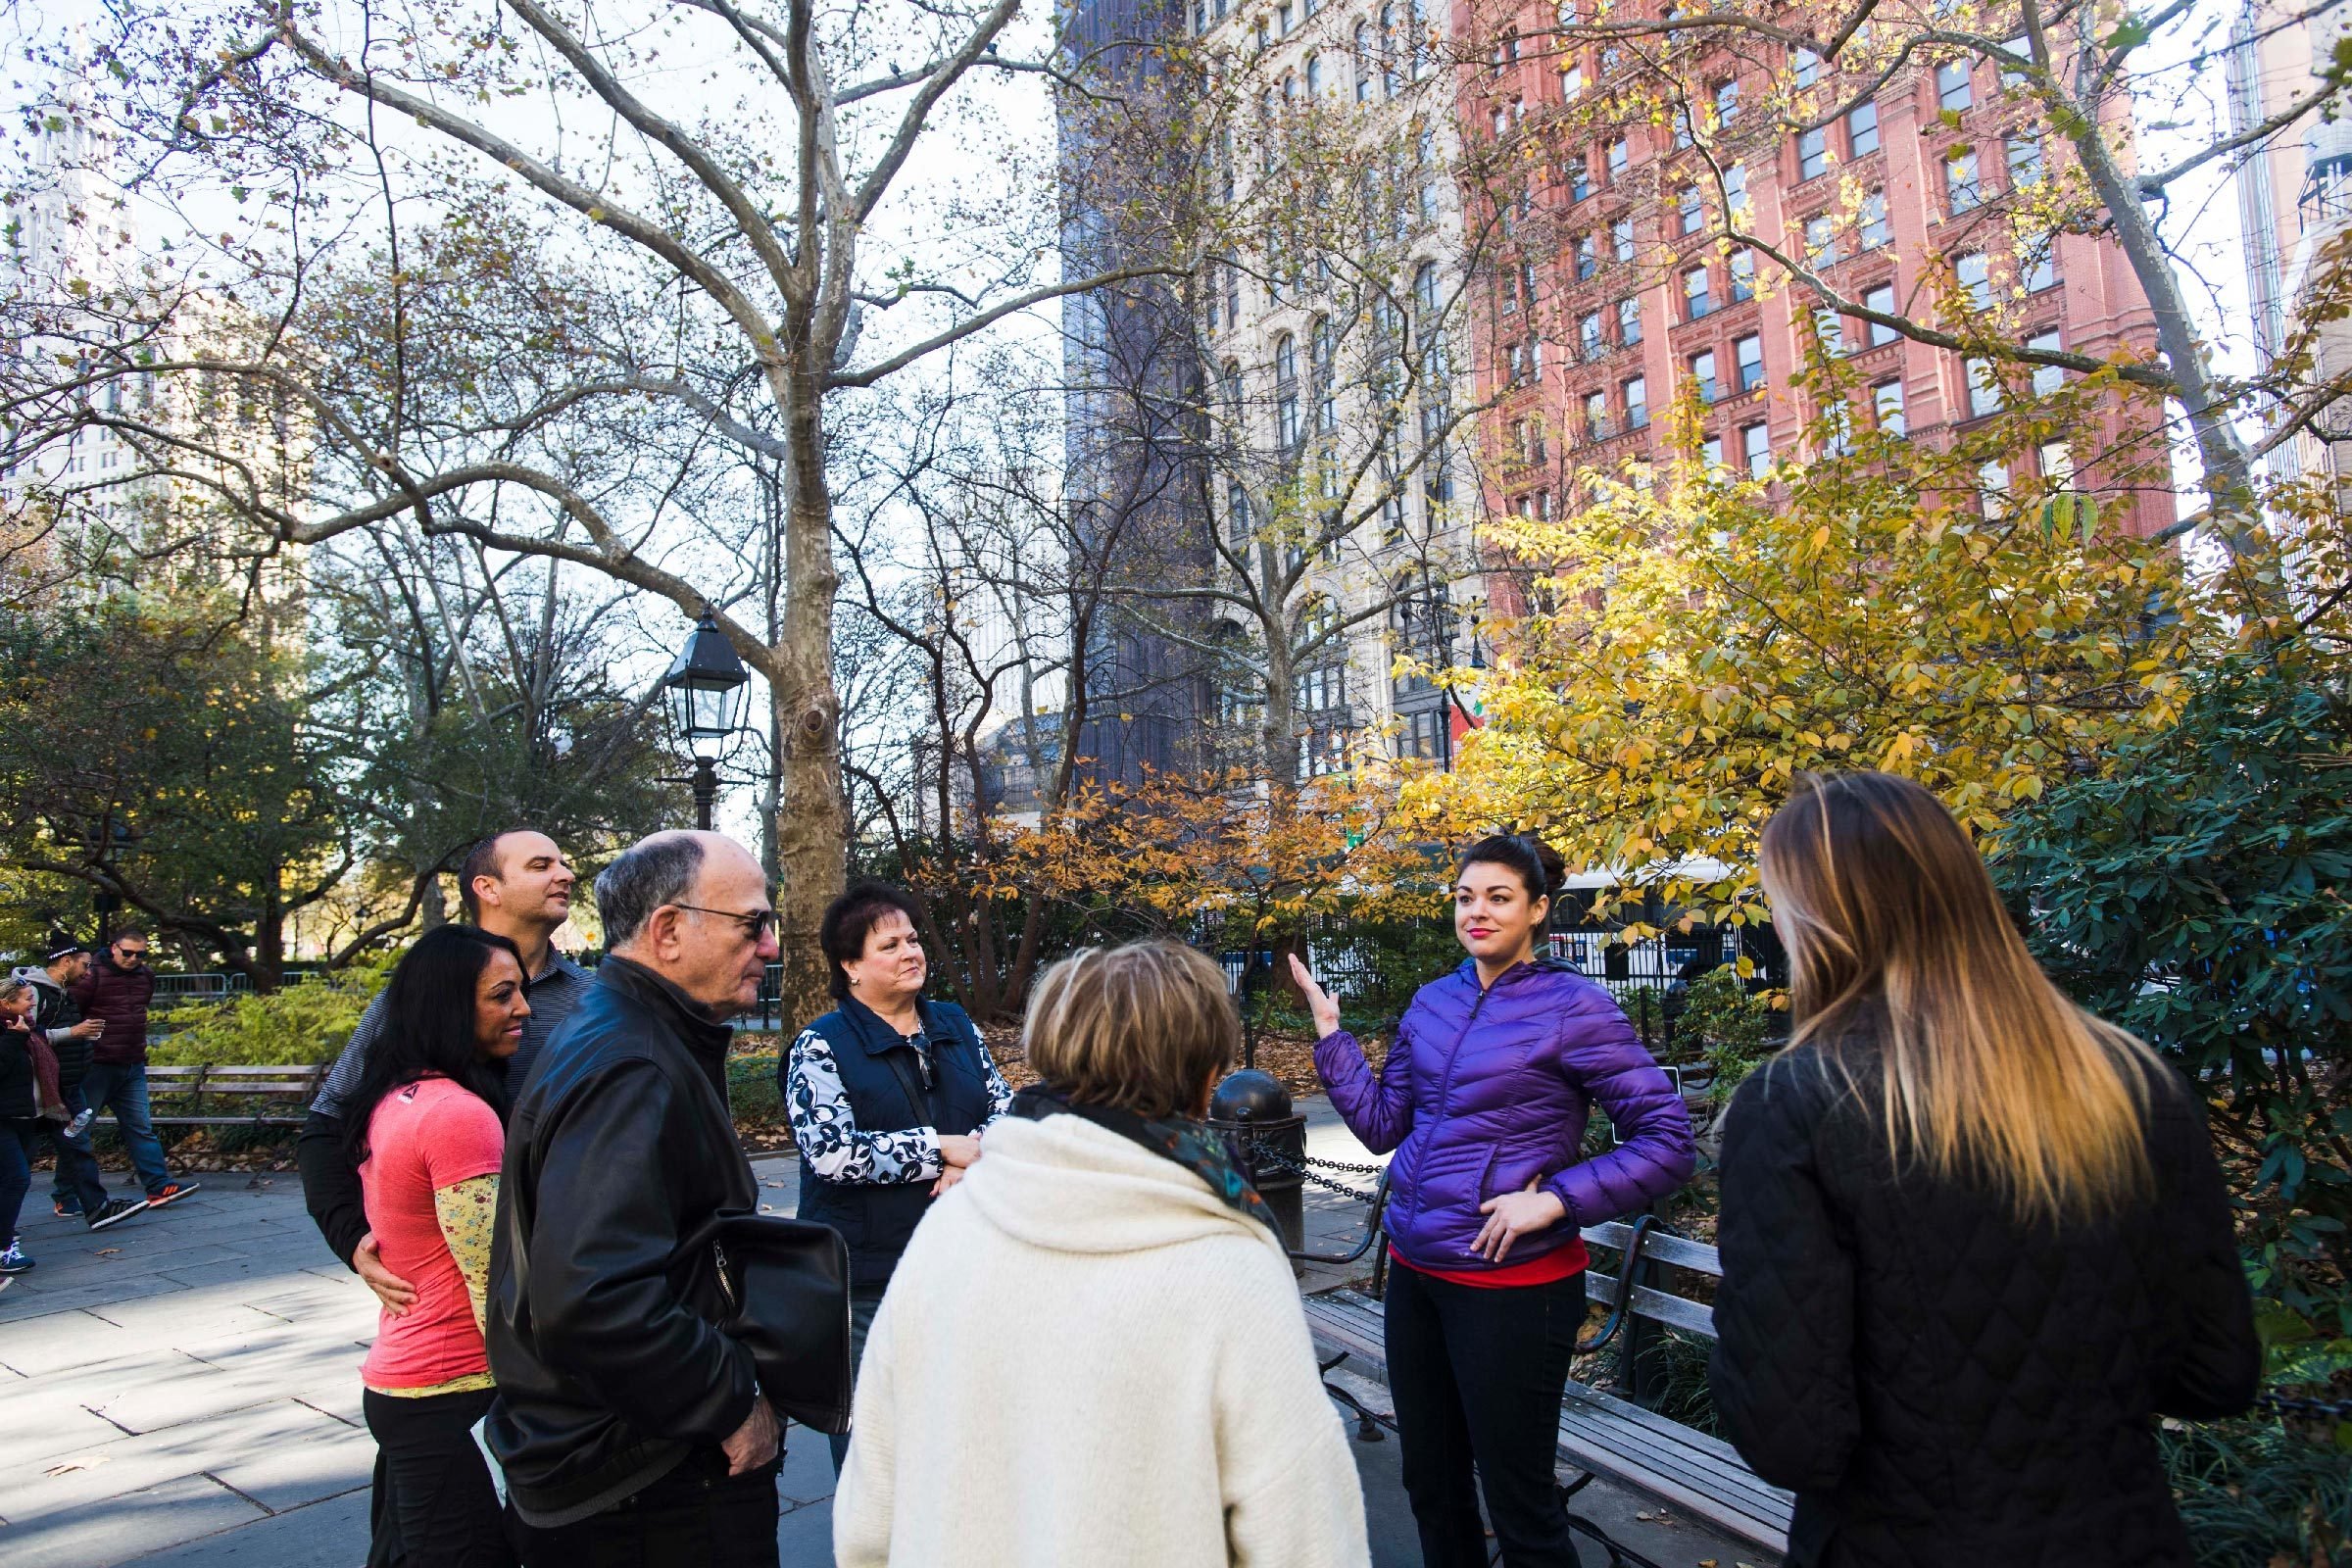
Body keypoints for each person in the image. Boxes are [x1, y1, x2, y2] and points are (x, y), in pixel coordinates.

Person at [1705, 772, 2260, 1568]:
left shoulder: (1803, 1102)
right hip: (2127, 1536)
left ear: (1817, 915)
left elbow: (1791, 1439)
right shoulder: (2132, 1080)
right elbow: (2217, 1373)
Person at [834, 941, 1371, 1568]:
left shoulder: (951, 1225)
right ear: (1204, 1078)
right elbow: (1303, 1538)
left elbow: (870, 1517)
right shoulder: (1229, 1264)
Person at [1293, 834, 1696, 1568]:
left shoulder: (1576, 1008)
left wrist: (1556, 1201)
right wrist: (1333, 1040)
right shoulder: (1434, 1001)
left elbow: (1667, 1139)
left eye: (1499, 897)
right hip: (1417, 1274)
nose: (1477, 912)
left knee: (1521, 1505)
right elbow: (1384, 1126)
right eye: (1465, 897)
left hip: (1514, 1289)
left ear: (1539, 909)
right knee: (1432, 1485)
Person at [485, 831, 783, 1567]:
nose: (770, 946)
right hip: (644, 1481)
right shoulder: (632, 1061)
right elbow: (594, 1296)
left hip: (616, 1461)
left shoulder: (630, 1032)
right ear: (669, 930)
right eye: (752, 923)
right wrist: (730, 1401)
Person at [299, 828, 584, 1568]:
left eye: (563, 860)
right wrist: (356, 1240)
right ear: (485, 887)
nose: (565, 871)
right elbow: (329, 1124)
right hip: (484, 1322)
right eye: (541, 863)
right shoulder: (426, 993)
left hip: (556, 1285)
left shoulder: (590, 998)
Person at [783, 879, 1012, 1472]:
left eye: (913, 939)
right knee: (877, 1457)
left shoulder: (955, 1025)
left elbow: (1008, 1110)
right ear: (851, 965)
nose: (911, 952)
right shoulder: (820, 1046)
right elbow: (831, 1152)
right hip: (866, 1284)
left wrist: (975, 1158)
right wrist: (940, 1150)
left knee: (967, 1444)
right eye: (889, 945)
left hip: (963, 1268)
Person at [343, 924, 530, 1568]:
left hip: (409, 1388)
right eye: (502, 996)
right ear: (451, 1005)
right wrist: (537, 1387)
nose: (522, 1009)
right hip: (442, 1386)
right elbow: (491, 1276)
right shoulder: (457, 1115)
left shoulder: (398, 1095)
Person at [72, 927, 202, 1209]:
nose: (133, 958)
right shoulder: (91, 974)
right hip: (96, 1066)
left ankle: (158, 1186)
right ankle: (66, 1195)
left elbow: (138, 1012)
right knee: (80, 1130)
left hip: (131, 1064)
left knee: (141, 1127)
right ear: (114, 947)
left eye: (140, 954)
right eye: (127, 952)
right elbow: (75, 1014)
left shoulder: (146, 976)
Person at [17, 943, 143, 1233]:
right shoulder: (33, 993)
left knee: (76, 1147)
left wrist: (82, 1039)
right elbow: (24, 1037)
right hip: (43, 1090)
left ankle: (96, 1207)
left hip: (66, 1086)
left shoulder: (63, 993)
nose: (88, 972)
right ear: (65, 961)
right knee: (21, 1158)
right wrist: (72, 1033)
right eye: (85, 965)